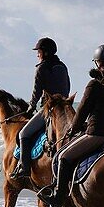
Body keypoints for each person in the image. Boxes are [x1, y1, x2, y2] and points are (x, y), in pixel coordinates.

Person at [38, 44, 104, 207]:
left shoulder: (95, 84)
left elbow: (82, 111)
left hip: (98, 134)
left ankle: (58, 196)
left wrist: (74, 129)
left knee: (62, 157)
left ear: (97, 63)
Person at [10, 37, 70, 180]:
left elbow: (36, 93)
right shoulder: (63, 66)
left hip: (49, 109)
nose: (37, 54)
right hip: (64, 109)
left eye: (39, 51)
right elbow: (67, 88)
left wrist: (30, 108)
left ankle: (24, 168)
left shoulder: (41, 68)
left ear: (46, 53)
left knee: (23, 134)